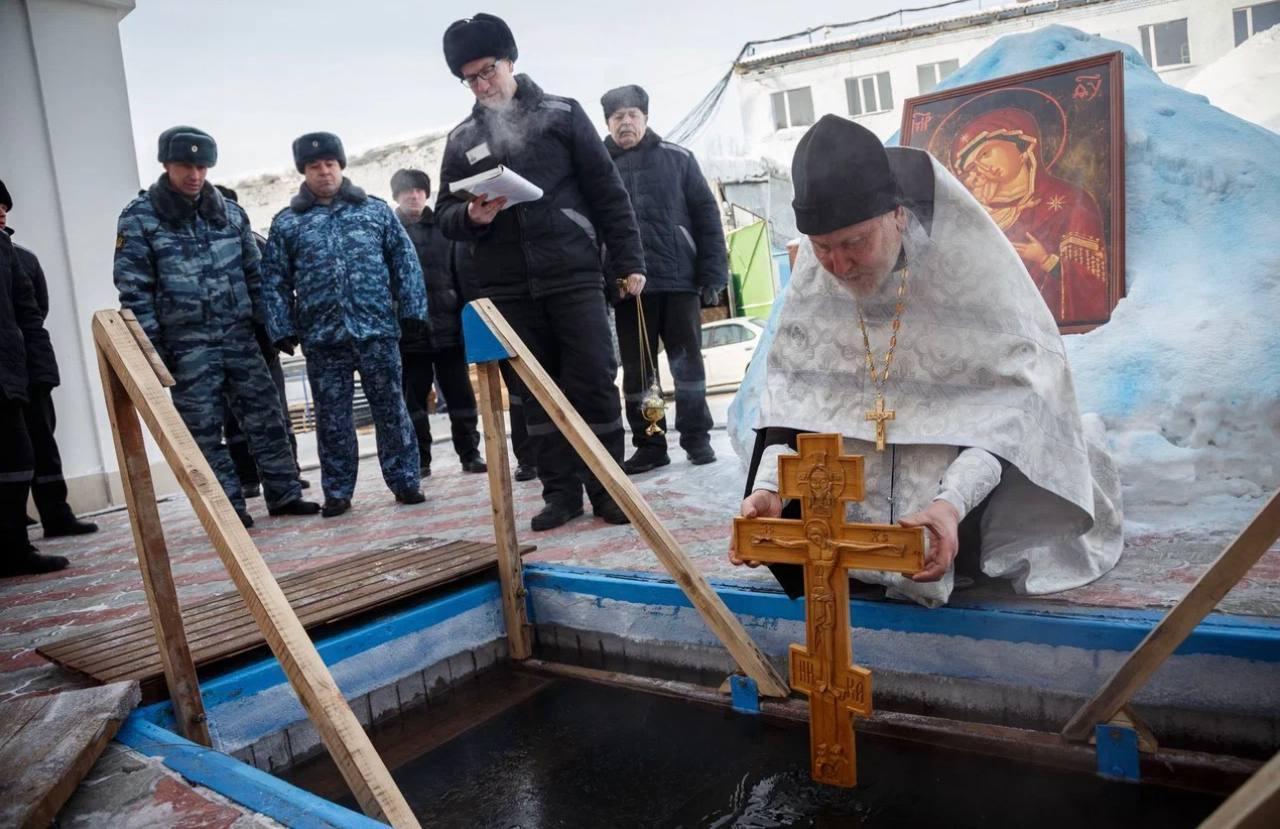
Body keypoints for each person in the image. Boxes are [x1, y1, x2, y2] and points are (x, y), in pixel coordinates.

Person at [731, 115, 1123, 607]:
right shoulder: (818, 278)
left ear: (896, 215)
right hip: (842, 500)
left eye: (854, 243)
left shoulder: (971, 266)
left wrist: (951, 505)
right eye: (822, 248)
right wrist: (771, 490)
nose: (839, 266)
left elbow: (1011, 409)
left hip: (961, 485)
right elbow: (797, 401)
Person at [436, 13, 647, 531]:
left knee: (595, 379)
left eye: (489, 70)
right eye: (472, 78)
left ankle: (609, 488)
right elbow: (444, 214)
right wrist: (470, 216)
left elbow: (608, 195)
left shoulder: (562, 114)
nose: (484, 85)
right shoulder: (462, 139)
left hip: (573, 274)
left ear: (511, 60)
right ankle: (560, 494)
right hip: (508, 286)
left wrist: (629, 261)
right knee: (535, 391)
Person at [114, 127, 319, 527]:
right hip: (185, 345)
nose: (194, 174)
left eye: (202, 166)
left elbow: (254, 275)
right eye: (185, 165)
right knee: (203, 432)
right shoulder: (139, 219)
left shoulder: (229, 213)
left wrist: (270, 330)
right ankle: (227, 508)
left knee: (268, 418)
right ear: (166, 165)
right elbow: (134, 290)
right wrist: (155, 352)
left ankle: (285, 493)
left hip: (239, 337)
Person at [261, 132, 429, 518]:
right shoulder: (288, 223)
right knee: (333, 419)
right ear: (303, 171)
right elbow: (274, 279)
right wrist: (281, 327)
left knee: (391, 410)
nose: (324, 172)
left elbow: (405, 262)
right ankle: (337, 491)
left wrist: (414, 312)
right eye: (315, 166)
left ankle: (405, 481)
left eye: (330, 165)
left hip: (377, 331)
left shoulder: (375, 211)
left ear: (341, 166)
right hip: (323, 338)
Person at [600, 85, 728, 473]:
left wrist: (712, 273)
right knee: (638, 375)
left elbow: (707, 218)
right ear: (607, 123)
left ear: (645, 118)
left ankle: (696, 438)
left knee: (688, 367)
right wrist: (606, 281)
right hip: (629, 289)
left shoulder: (678, 159)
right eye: (617, 116)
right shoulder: (598, 169)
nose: (625, 122)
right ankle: (650, 446)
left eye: (632, 115)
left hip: (678, 280)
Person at [0, 179, 98, 537]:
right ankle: (14, 523)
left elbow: (35, 311)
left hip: (31, 369)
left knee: (43, 444)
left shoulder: (23, 258)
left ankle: (57, 513)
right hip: (5, 376)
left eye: (5, 206)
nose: (1, 211)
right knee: (14, 452)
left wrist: (39, 367)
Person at [950, 107, 1109, 325]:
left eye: (985, 153)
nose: (984, 167)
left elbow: (1091, 286)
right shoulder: (979, 219)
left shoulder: (1071, 202)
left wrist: (1046, 260)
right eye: (973, 167)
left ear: (1023, 143)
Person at [389, 168, 487, 478]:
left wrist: (469, 319)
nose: (413, 195)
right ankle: (421, 460)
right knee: (413, 402)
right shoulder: (389, 232)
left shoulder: (446, 229)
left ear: (426, 193)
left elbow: (465, 277)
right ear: (396, 196)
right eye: (406, 191)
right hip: (409, 332)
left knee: (460, 397)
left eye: (418, 190)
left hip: (449, 329)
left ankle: (470, 454)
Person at [213, 184, 308, 498]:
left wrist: (281, 332)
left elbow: (277, 290)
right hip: (227, 348)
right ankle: (248, 477)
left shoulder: (257, 243)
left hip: (263, 346)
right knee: (235, 419)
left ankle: (289, 472)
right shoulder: (205, 248)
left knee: (276, 410)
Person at [0, 231, 70, 576]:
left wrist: (40, 368)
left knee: (24, 454)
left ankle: (19, 542)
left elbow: (32, 312)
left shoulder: (13, 253)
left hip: (14, 370)